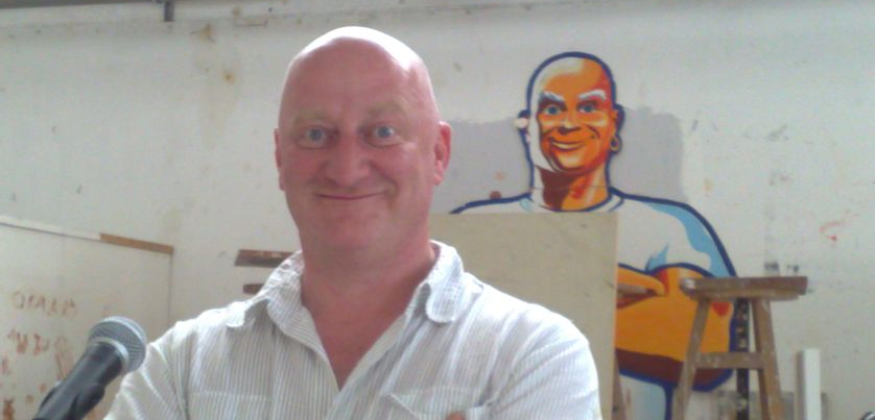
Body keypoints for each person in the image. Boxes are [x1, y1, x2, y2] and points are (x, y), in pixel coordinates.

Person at [105, 28, 600, 420]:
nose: (346, 169)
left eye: (382, 132)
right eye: (315, 134)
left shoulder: (532, 357)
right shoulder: (180, 367)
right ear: (280, 157)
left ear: (438, 153)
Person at [453, 52, 736, 420]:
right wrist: (629, 291)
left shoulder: (670, 226)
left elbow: (707, 339)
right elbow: (440, 334)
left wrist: (514, 300)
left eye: (588, 107)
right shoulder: (476, 225)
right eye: (552, 109)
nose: (569, 123)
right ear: (527, 127)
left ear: (613, 123)